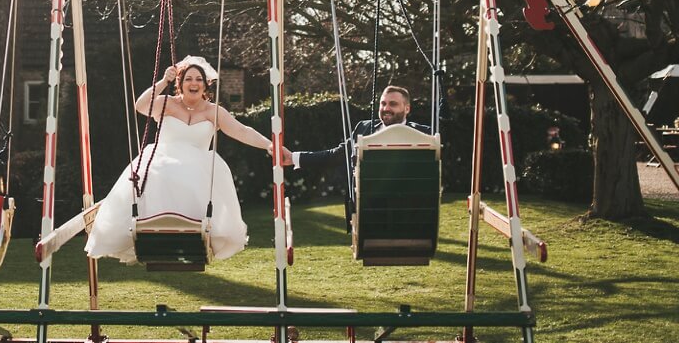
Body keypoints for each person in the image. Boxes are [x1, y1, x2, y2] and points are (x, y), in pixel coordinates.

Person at [85, 55, 292, 264]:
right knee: (162, 174)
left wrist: (270, 144)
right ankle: (153, 236)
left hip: (198, 168)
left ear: (206, 85)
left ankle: (194, 238)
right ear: (180, 84)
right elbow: (141, 105)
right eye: (188, 79)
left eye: (199, 79)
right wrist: (163, 81)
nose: (194, 83)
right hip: (162, 162)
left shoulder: (213, 111)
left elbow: (242, 130)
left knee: (193, 176)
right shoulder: (166, 103)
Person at [286, 85, 430, 171]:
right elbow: (337, 155)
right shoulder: (364, 128)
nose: (386, 108)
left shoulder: (424, 133)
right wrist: (293, 157)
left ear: (407, 109)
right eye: (383, 103)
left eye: (393, 104)